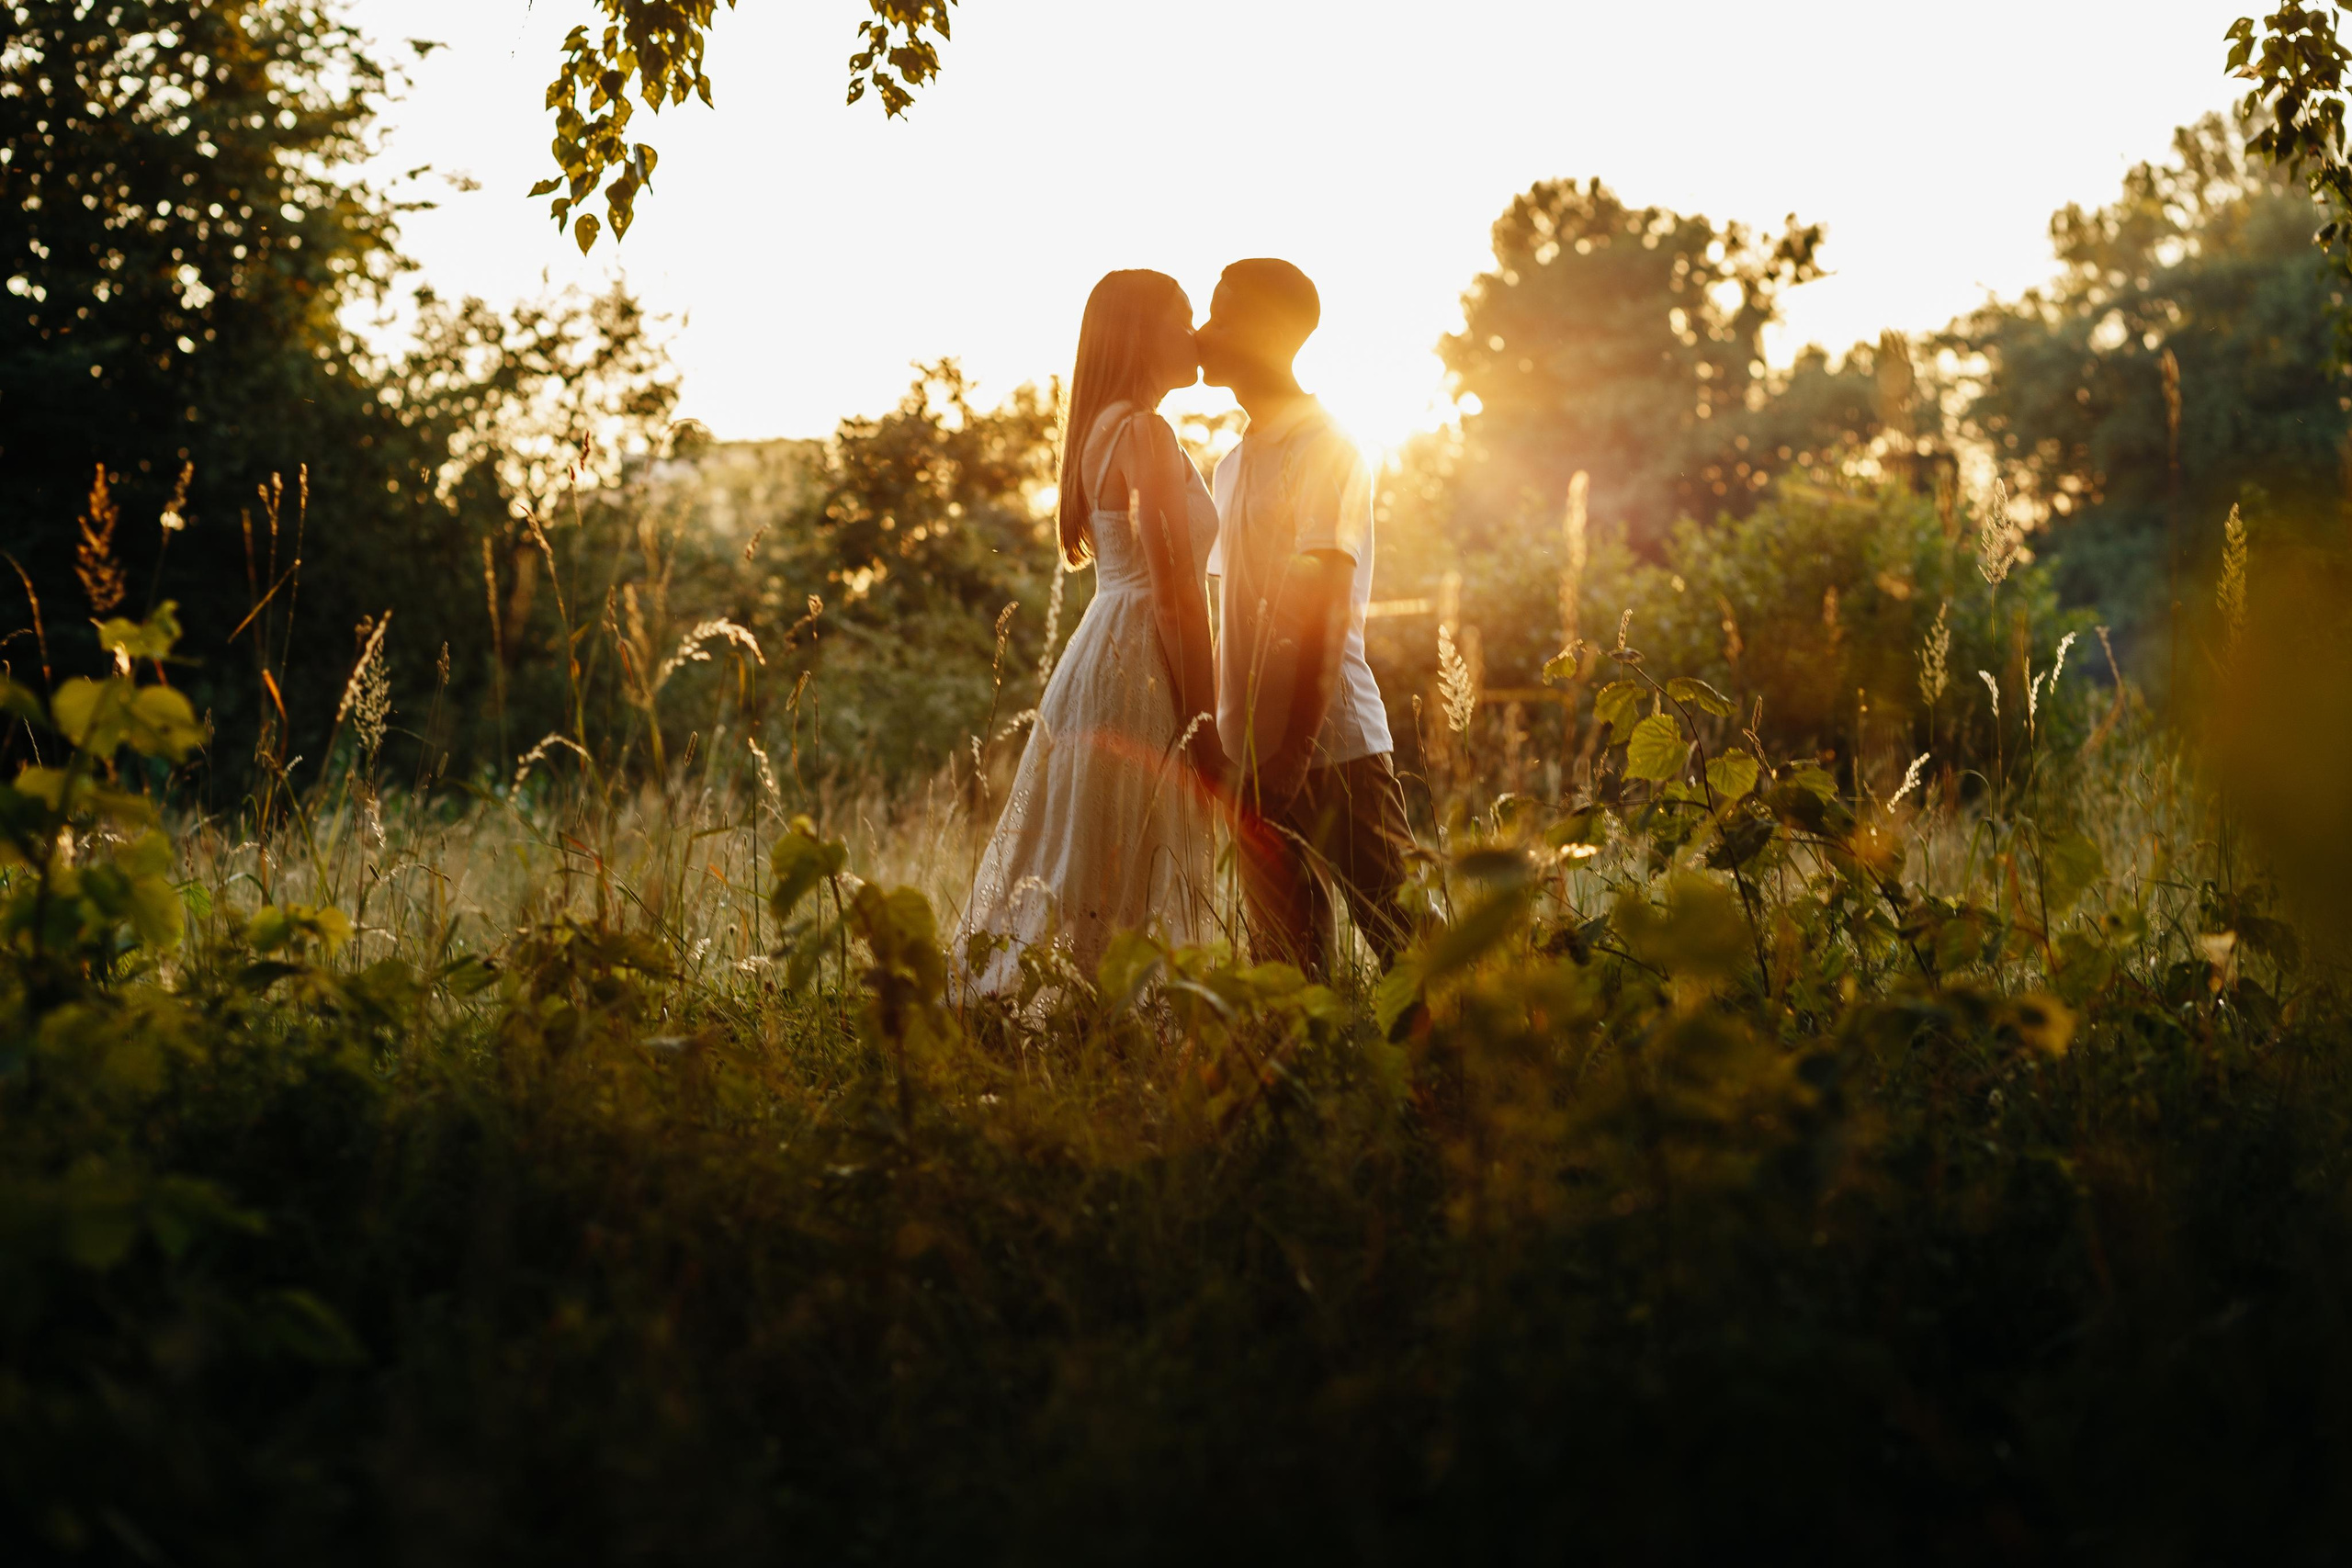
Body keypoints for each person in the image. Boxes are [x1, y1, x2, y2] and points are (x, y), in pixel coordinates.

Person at [954, 269, 1223, 995]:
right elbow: (1175, 593)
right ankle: (1112, 1005)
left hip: (1100, 650)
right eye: (1183, 317)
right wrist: (1206, 724)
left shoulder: (1103, 428)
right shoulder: (1144, 431)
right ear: (1141, 334)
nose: (1196, 333)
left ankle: (1069, 999)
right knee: (1132, 843)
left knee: (1093, 844)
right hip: (1140, 655)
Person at [1196, 258, 1416, 978]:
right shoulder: (1231, 465)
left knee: (1406, 939)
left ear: (1263, 332)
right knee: (1285, 967)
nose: (1203, 331)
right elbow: (1234, 616)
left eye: (1220, 315)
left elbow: (1326, 605)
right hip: (1251, 755)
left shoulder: (1328, 447)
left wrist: (1294, 753)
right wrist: (1224, 743)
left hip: (1334, 745)